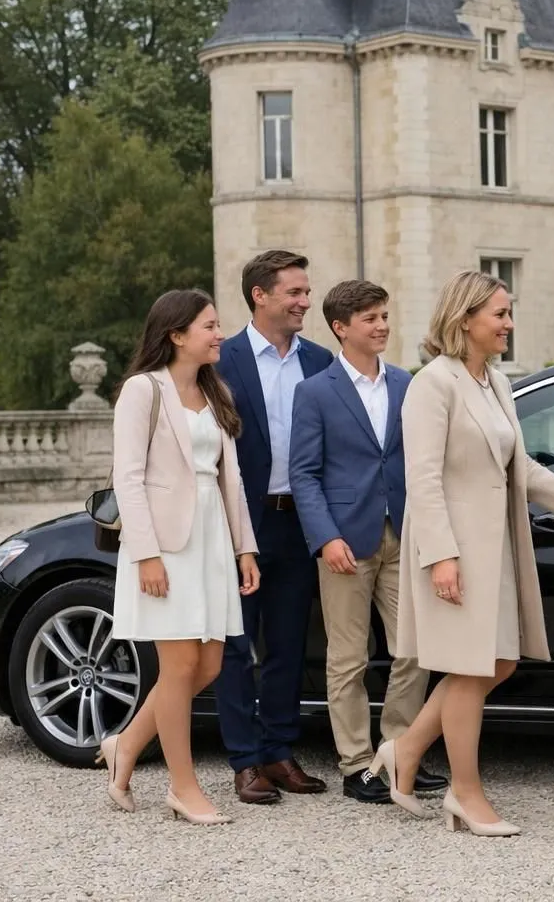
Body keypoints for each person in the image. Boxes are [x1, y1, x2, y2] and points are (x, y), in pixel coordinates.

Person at [369, 270, 554, 836]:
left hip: (497, 547)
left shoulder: (497, 383)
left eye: (509, 312)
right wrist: (441, 556)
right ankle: (465, 794)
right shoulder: (432, 384)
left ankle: (405, 750)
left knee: (500, 662)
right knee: (470, 668)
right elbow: (422, 479)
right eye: (500, 314)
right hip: (456, 548)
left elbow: (522, 469)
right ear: (465, 319)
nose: (509, 323)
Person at [98, 289, 260, 825]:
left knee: (209, 665)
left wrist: (245, 547)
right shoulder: (141, 391)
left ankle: (125, 745)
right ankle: (182, 787)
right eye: (210, 326)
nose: (219, 334)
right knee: (181, 665)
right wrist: (146, 554)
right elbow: (128, 476)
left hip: (213, 538)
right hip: (164, 545)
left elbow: (230, 478)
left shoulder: (216, 392)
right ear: (176, 334)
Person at [288, 280, 448, 803]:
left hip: (404, 533)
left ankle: (399, 752)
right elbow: (304, 474)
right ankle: (356, 764)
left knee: (415, 649)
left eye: (384, 315)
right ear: (341, 327)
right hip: (344, 542)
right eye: (370, 318)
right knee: (348, 659)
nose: (382, 325)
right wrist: (324, 538)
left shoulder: (407, 383)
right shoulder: (314, 391)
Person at [213, 250, 335, 804]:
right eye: (295, 292)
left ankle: (279, 752)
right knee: (238, 647)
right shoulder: (221, 359)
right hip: (242, 522)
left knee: (288, 643)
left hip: (301, 520)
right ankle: (243, 761)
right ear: (260, 295)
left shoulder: (319, 360)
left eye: (307, 292)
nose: (305, 302)